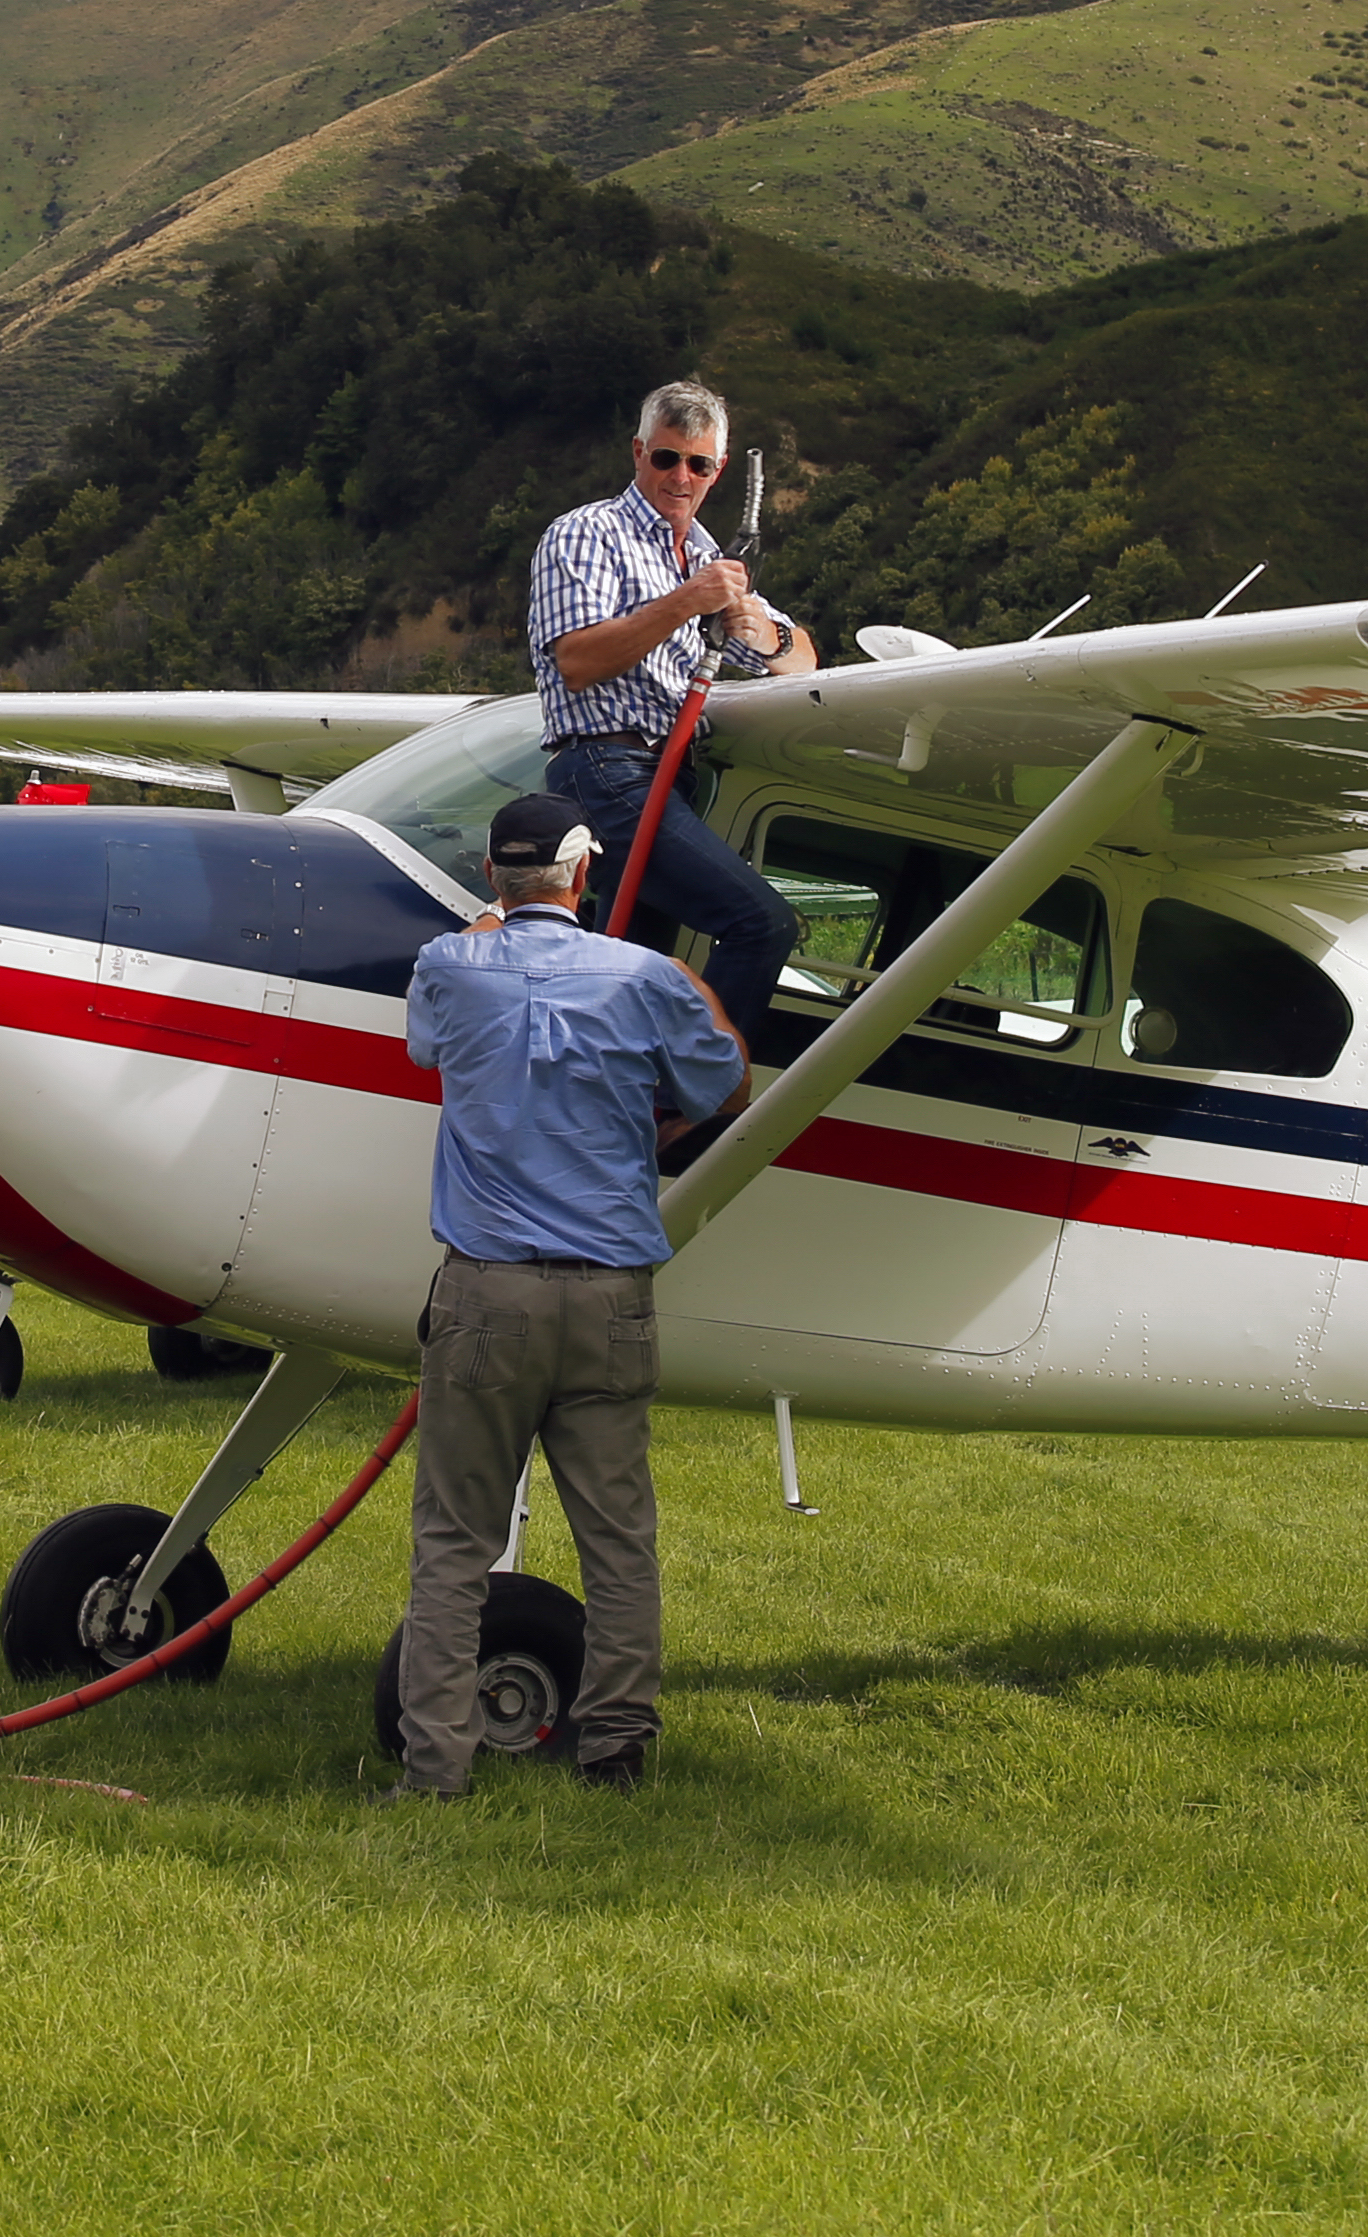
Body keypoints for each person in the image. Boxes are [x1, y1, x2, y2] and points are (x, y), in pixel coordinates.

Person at [387, 792, 750, 1797]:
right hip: (609, 1301)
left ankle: (436, 1771)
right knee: (618, 1541)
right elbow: (728, 1084)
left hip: (484, 1298)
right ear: (582, 874)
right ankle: (617, 1753)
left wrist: (493, 924)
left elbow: (427, 1044)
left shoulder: (448, 970)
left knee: (455, 1543)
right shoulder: (648, 977)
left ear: (494, 879)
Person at [526, 378, 815, 1028]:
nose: (680, 476)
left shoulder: (714, 559)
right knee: (761, 924)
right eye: (666, 458)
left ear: (717, 472)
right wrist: (689, 601)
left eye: (698, 463)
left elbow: (802, 661)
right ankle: (701, 1105)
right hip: (606, 768)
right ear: (638, 453)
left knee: (623, 979)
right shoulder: (586, 534)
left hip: (669, 781)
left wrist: (759, 628)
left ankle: (619, 1105)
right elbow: (577, 661)